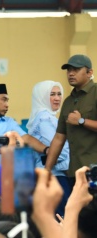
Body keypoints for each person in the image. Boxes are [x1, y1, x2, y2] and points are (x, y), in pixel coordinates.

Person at [46, 54, 97, 182]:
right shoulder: (68, 101)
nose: (71, 74)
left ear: (89, 72)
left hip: (94, 170)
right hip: (75, 172)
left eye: (76, 69)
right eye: (69, 70)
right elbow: (59, 138)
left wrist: (81, 121)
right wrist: (47, 170)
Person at [27, 80, 71, 215]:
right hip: (55, 177)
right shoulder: (44, 118)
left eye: (59, 94)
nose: (57, 98)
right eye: (52, 94)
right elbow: (58, 150)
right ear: (42, 97)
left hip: (48, 176)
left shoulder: (46, 117)